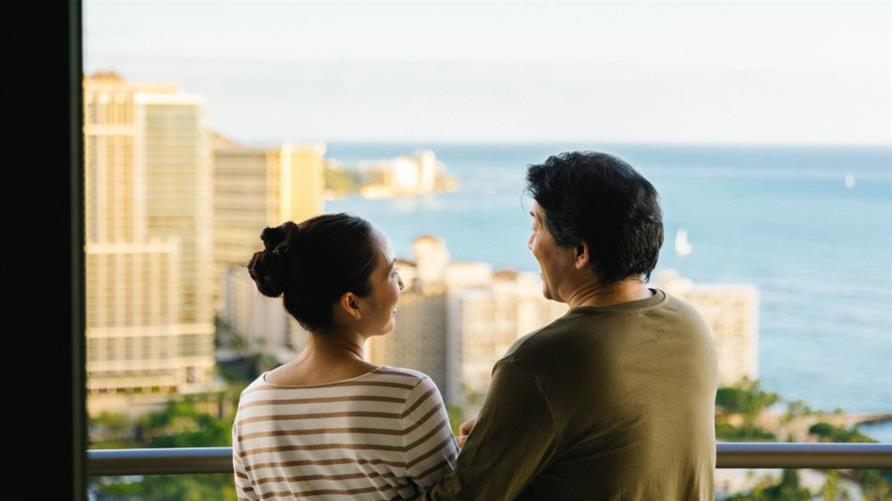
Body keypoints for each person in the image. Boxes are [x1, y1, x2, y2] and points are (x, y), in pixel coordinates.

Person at [418, 151, 718, 500]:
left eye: (536, 226)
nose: (530, 243)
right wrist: (503, 447)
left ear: (580, 252)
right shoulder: (689, 323)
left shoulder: (542, 361)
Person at [232, 213, 458, 500]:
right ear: (352, 303)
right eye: (391, 273)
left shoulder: (253, 403)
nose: (400, 285)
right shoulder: (406, 396)